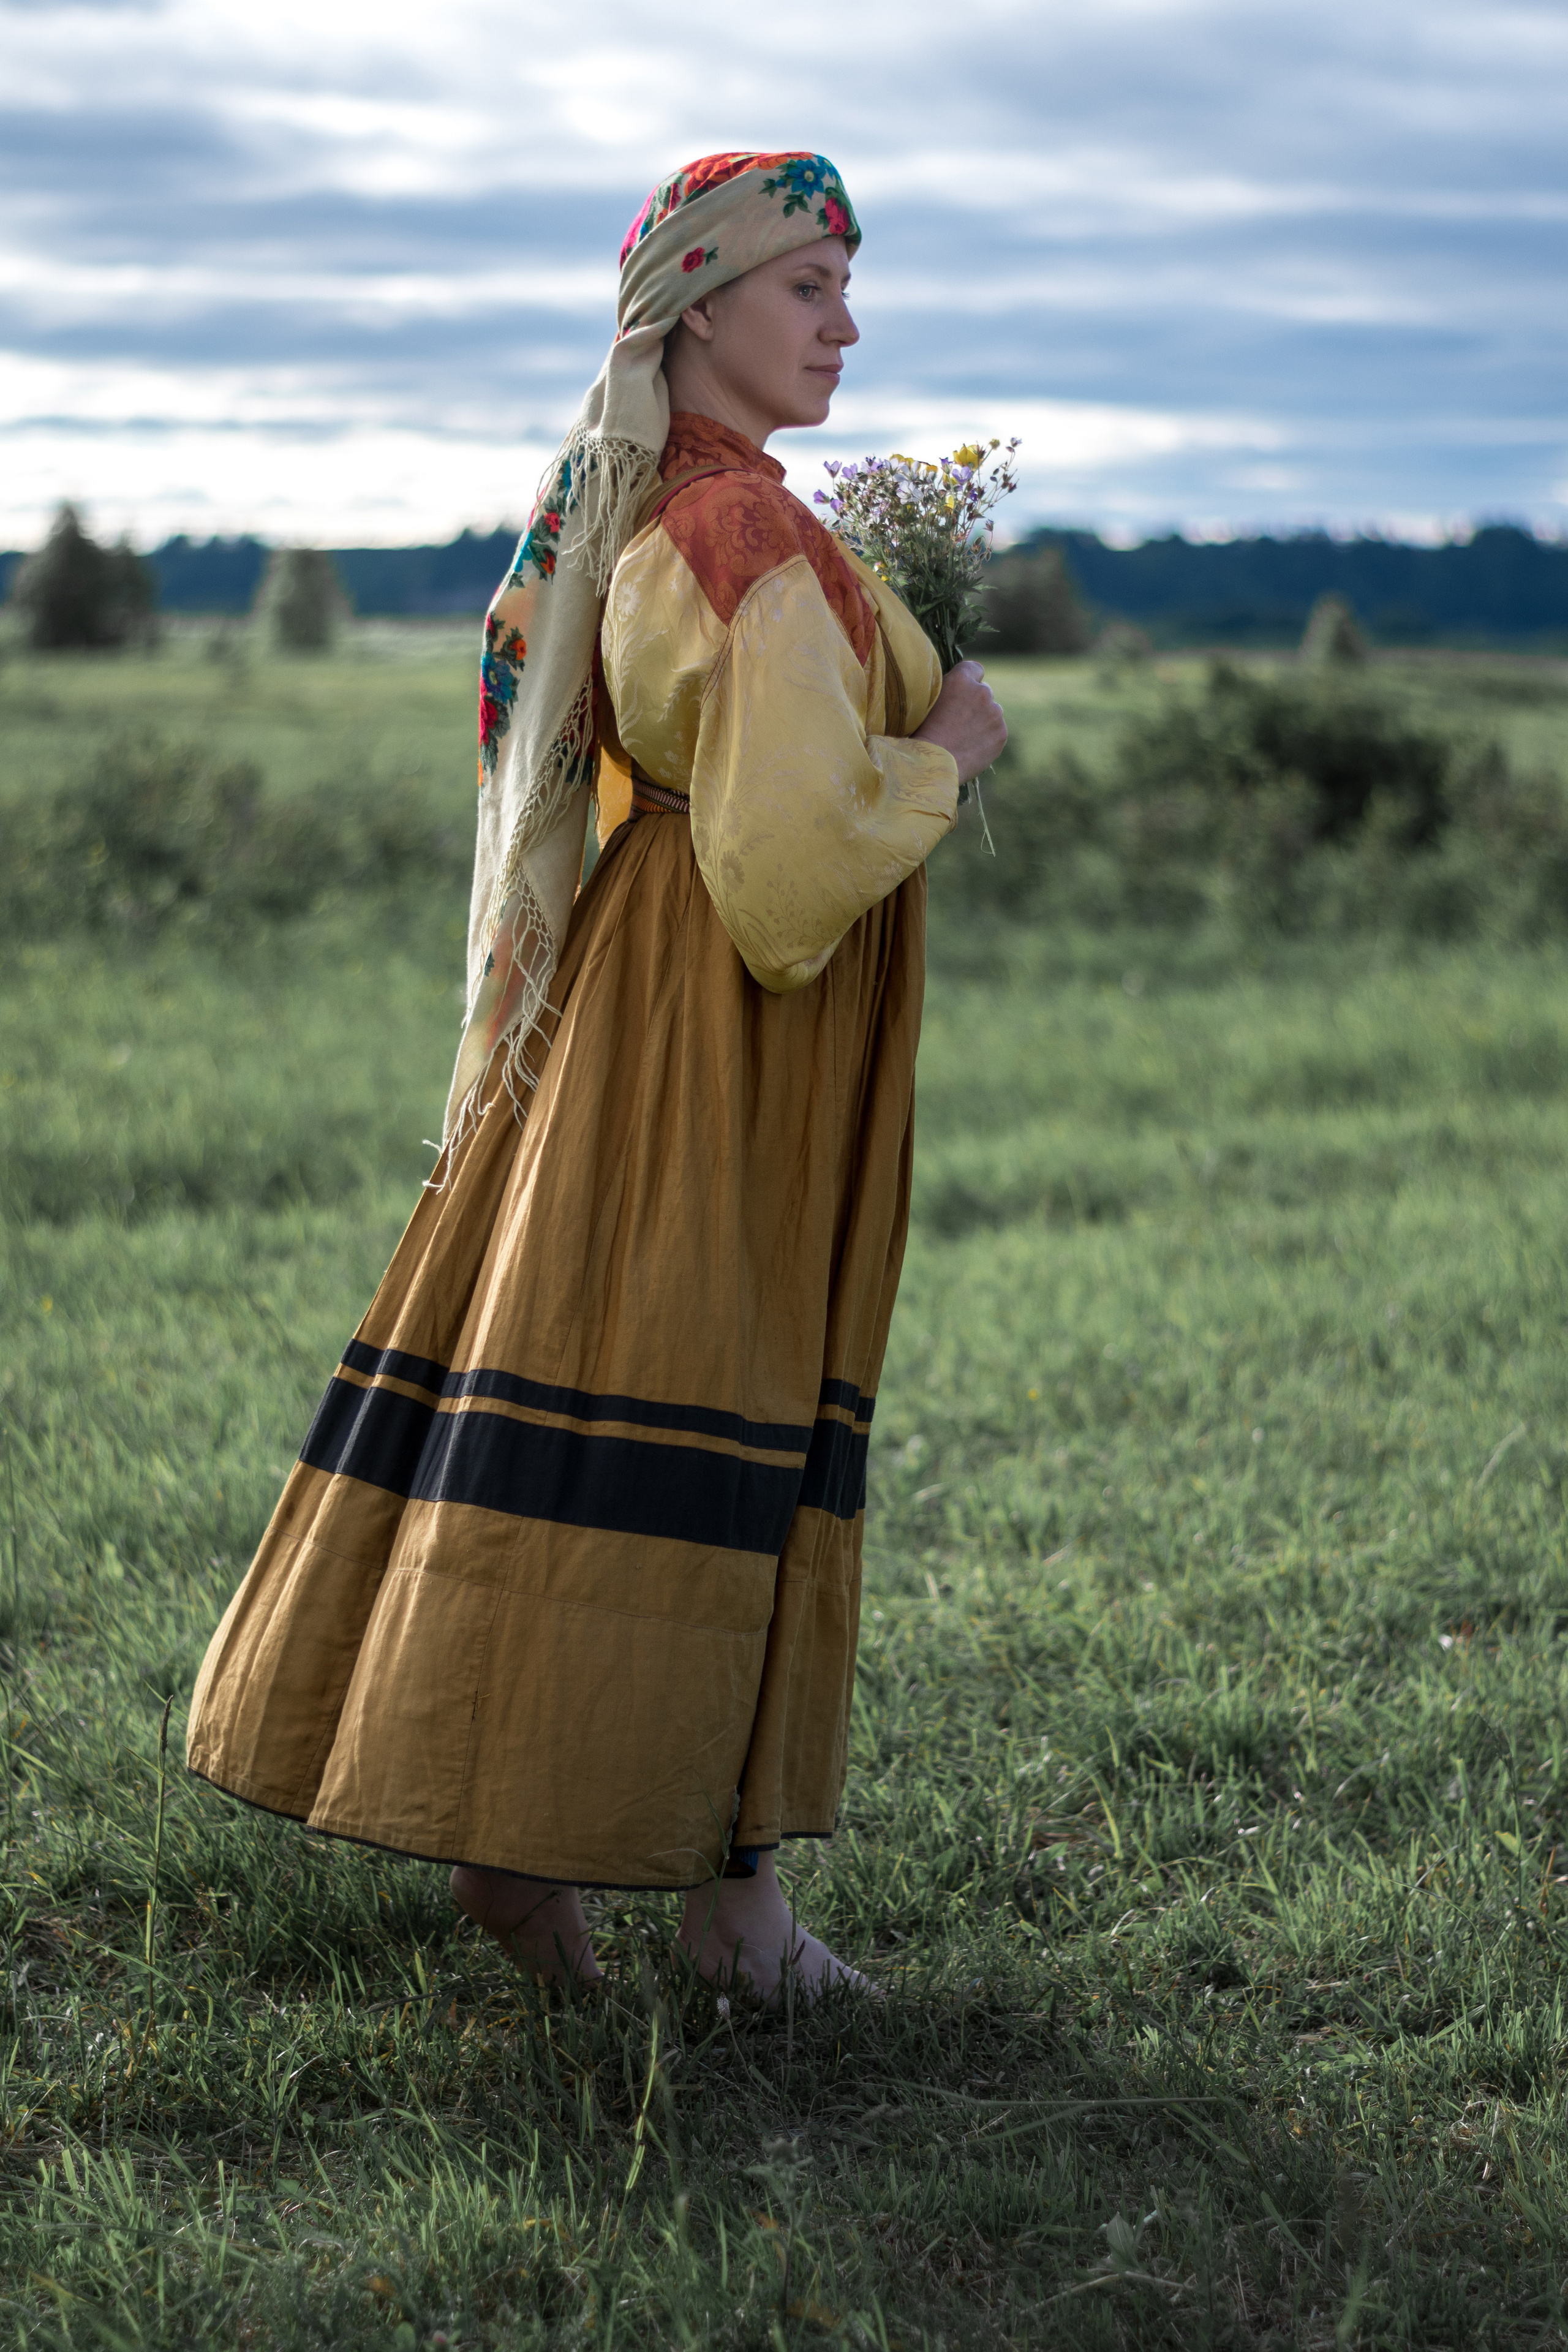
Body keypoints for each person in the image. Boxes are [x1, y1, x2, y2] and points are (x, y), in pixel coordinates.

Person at [186, 149, 1007, 2001]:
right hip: (721, 1023)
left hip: (653, 1003)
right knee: (713, 1392)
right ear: (699, 306)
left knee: (622, 1371)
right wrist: (949, 747)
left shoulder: (682, 511)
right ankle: (727, 1913)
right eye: (810, 287)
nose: (848, 327)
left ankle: (573, 1863)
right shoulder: (741, 536)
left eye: (847, 288)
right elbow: (786, 871)